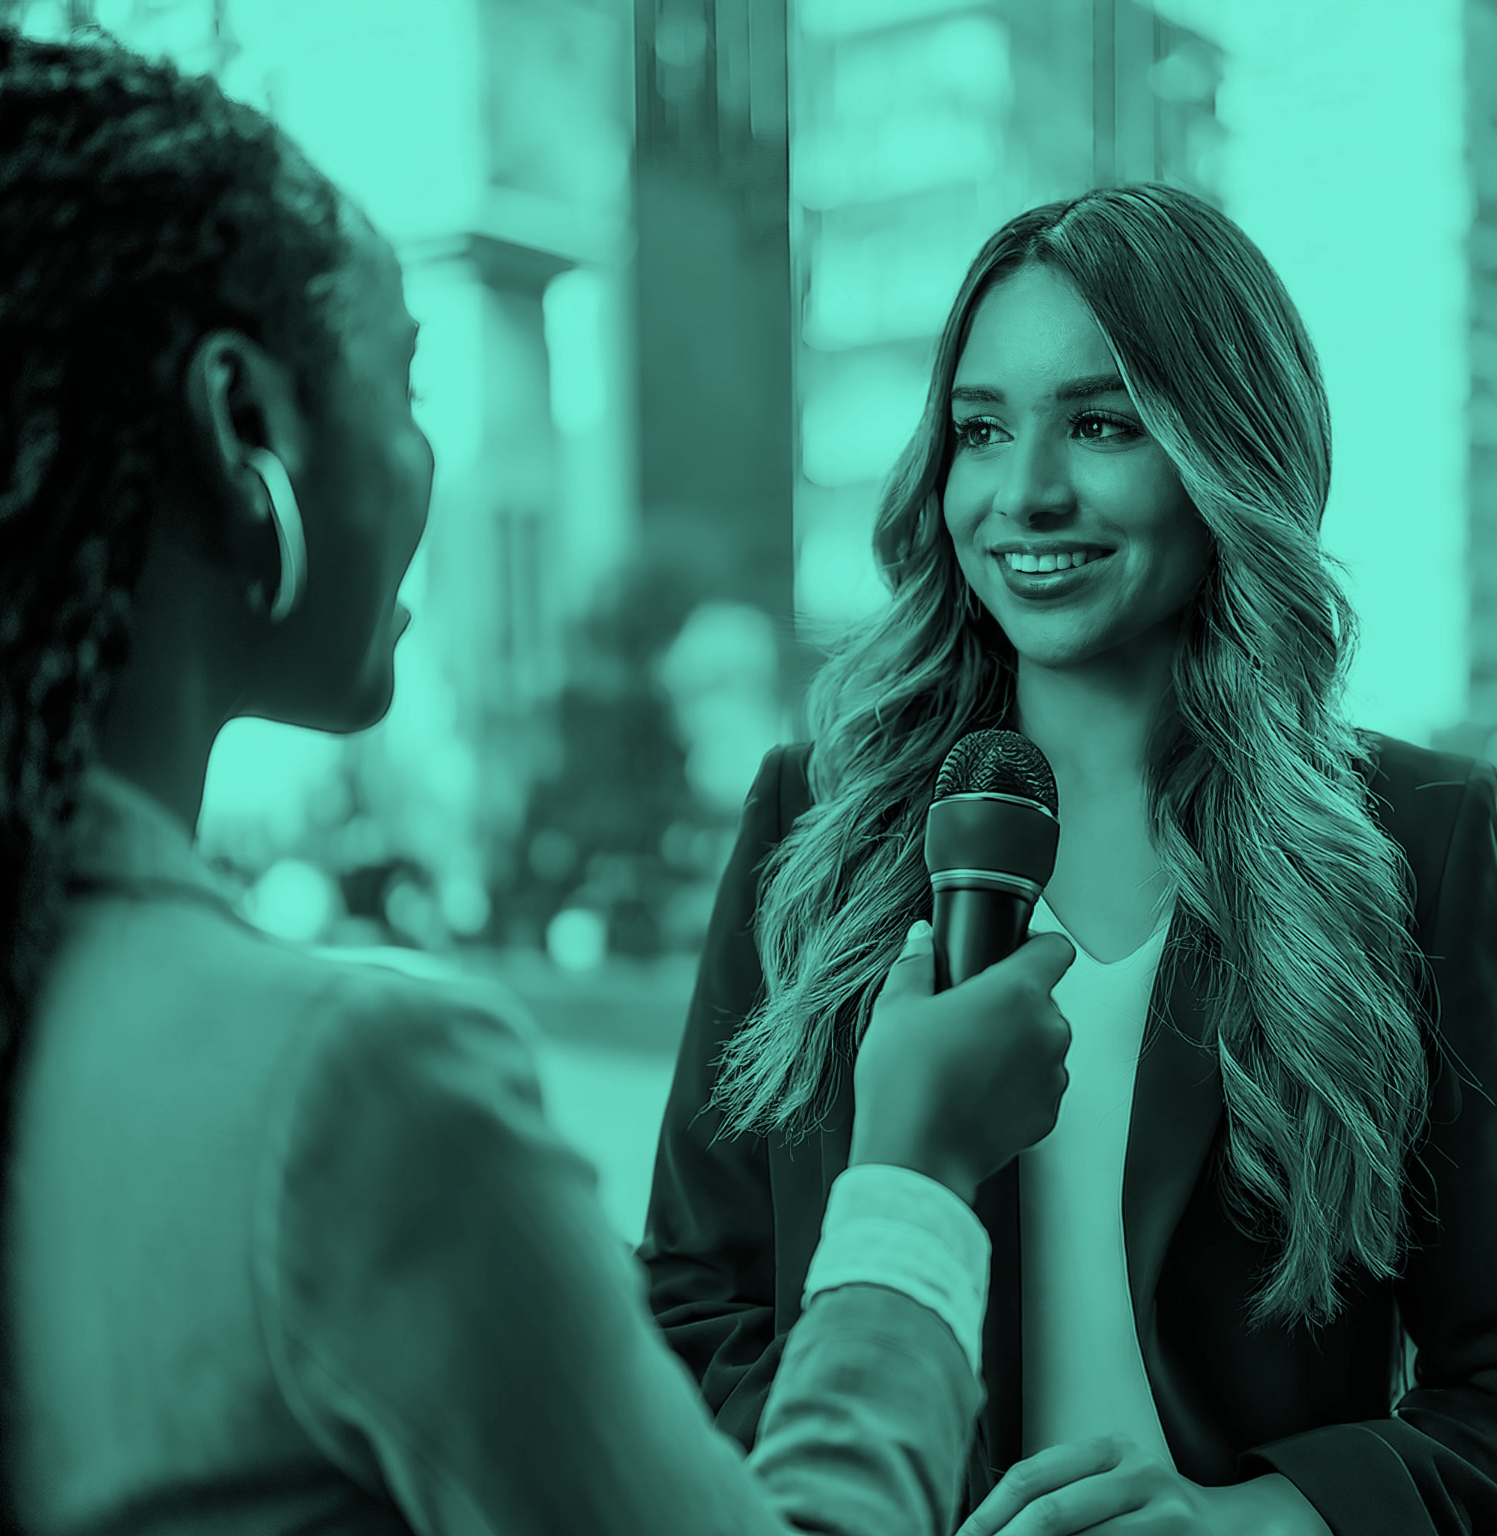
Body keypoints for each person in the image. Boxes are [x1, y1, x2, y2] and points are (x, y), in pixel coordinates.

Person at [0, 21, 1081, 1536]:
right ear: (245, 430)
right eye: (405, 379)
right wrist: (917, 1172)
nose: (433, 461)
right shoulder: (352, 1090)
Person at [639, 180, 1497, 1536]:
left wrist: (1268, 1520)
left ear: (1228, 447)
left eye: (1099, 425)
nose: (1026, 494)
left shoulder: (1429, 840)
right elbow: (693, 1306)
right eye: (981, 432)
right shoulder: (813, 821)